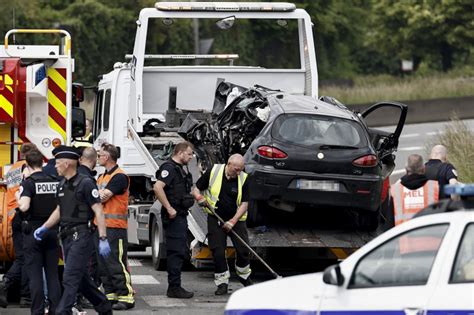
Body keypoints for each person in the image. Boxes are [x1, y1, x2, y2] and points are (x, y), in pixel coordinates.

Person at [32, 145, 113, 315]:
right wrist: (44, 227)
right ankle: (104, 307)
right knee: (82, 280)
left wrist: (103, 238)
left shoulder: (85, 183)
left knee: (69, 278)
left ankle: (63, 311)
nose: (55, 166)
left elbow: (98, 210)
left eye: (57, 163)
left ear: (67, 163)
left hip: (81, 235)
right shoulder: (62, 185)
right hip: (66, 237)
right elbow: (60, 210)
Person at [192, 154, 253, 296]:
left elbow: (245, 204)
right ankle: (222, 283)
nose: (238, 173)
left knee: (243, 250)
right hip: (216, 217)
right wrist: (199, 197)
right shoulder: (213, 171)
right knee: (218, 251)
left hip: (236, 220)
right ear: (229, 164)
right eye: (236, 169)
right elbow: (196, 189)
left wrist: (233, 221)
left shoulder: (244, 178)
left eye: (241, 170)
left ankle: (243, 275)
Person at [15, 149, 61, 314]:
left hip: (33, 232)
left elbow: (25, 206)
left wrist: (18, 198)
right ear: (43, 163)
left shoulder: (28, 183)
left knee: (35, 276)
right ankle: (55, 309)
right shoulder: (55, 181)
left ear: (27, 165)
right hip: (52, 229)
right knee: (52, 274)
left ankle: (38, 311)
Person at [153, 141, 195, 299]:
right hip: (174, 217)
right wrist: (169, 208)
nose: (191, 157)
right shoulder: (169, 168)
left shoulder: (180, 169)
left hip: (180, 215)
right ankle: (174, 288)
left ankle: (175, 286)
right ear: (181, 153)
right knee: (175, 252)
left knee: (179, 251)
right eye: (189, 154)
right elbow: (158, 187)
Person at [96, 143, 135, 310]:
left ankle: (126, 297)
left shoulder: (119, 177)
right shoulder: (102, 176)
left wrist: (93, 196)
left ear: (108, 157)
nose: (98, 158)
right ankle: (110, 295)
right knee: (103, 264)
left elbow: (103, 197)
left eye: (100, 155)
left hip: (115, 227)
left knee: (115, 263)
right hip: (102, 226)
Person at [0, 143, 36, 308]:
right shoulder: (26, 169)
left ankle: (23, 295)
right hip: (24, 215)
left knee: (22, 257)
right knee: (26, 257)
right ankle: (22, 294)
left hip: (12, 216)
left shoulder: (12, 169)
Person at [391, 154, 439, 226]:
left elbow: (389, 223)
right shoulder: (435, 187)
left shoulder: (396, 190)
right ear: (423, 168)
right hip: (430, 233)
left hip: (403, 235)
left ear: (406, 169)